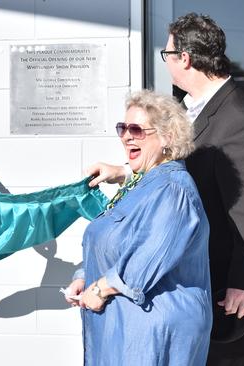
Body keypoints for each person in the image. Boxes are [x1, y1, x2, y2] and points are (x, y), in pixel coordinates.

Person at [87, 13, 244, 365]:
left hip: (231, 288)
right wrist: (124, 172)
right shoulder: (190, 107)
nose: (166, 62)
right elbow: (179, 171)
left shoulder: (238, 118)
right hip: (200, 279)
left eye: (167, 53)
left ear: (185, 59)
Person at [64, 90, 212, 365]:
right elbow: (114, 242)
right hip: (124, 325)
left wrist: (99, 290)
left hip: (152, 329)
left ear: (167, 137)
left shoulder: (174, 189)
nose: (126, 136)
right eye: (123, 128)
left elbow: (144, 260)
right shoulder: (141, 184)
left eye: (136, 129)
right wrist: (84, 276)